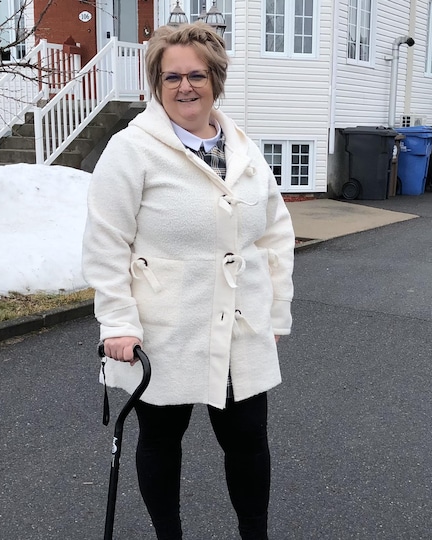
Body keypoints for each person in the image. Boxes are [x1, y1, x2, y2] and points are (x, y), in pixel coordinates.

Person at [82, 22, 295, 540]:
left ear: (215, 79)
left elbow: (274, 233)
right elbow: (107, 243)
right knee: (160, 441)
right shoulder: (131, 150)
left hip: (240, 324)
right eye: (171, 76)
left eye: (196, 75)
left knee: (248, 441)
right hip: (164, 328)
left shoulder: (243, 148)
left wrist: (275, 313)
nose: (184, 87)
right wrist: (117, 323)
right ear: (156, 83)